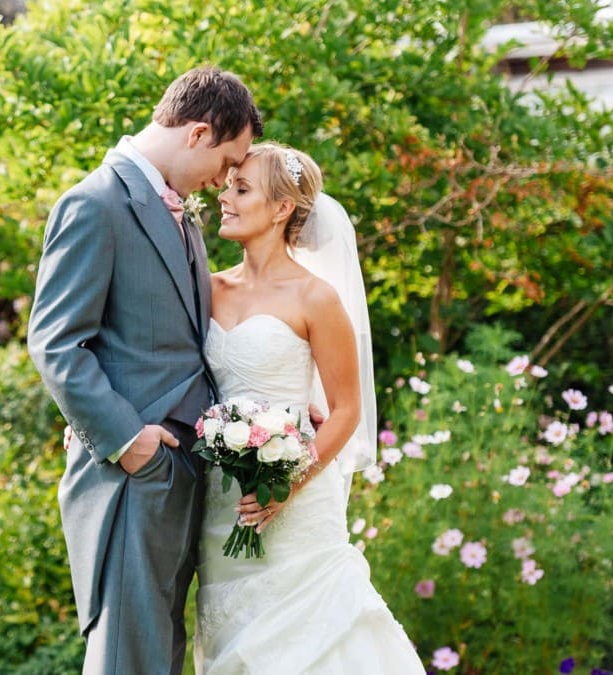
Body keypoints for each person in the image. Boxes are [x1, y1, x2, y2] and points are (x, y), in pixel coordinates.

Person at [27, 67, 262, 674]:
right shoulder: (95, 202)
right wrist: (129, 442)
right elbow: (55, 343)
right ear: (199, 133)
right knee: (129, 659)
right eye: (226, 161)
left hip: (181, 468)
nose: (224, 180)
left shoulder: (181, 211)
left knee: (159, 654)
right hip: (132, 476)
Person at [194, 141, 425, 673]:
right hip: (220, 503)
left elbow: (346, 410)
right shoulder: (206, 288)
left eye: (241, 188)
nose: (224, 197)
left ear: (282, 209)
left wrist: (285, 485)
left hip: (295, 505)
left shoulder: (315, 298)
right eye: (228, 185)